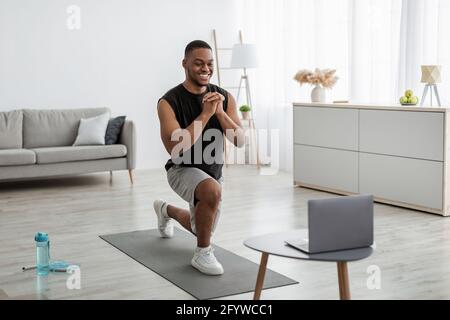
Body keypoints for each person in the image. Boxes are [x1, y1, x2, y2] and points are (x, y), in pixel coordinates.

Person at [154, 40, 244, 275]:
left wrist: (221, 113)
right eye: (199, 64)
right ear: (185, 64)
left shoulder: (224, 97)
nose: (206, 69)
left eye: (210, 64)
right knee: (211, 192)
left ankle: (166, 211)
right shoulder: (168, 102)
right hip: (181, 168)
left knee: (200, 226)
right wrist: (205, 114)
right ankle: (202, 253)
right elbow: (175, 147)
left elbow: (240, 140)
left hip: (213, 173)